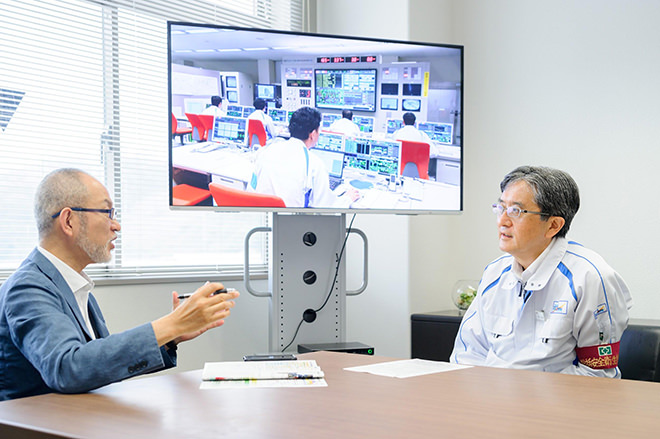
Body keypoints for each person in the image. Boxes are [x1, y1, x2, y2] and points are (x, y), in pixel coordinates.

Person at [0, 169, 240, 400]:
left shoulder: (75, 287)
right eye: (107, 213)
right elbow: (67, 368)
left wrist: (172, 335)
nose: (116, 226)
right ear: (69, 221)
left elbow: (97, 367)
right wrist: (170, 324)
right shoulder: (28, 288)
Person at [450, 166, 632, 377]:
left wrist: (524, 397)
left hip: (557, 406)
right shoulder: (494, 273)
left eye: (515, 211)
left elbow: (598, 375)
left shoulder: (590, 278)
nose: (502, 221)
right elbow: (466, 355)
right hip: (492, 400)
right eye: (501, 208)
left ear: (553, 225)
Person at [250, 106, 358, 208]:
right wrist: (347, 199)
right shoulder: (314, 164)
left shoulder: (265, 151)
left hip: (262, 220)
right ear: (312, 134)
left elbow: (252, 189)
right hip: (291, 223)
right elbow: (325, 207)